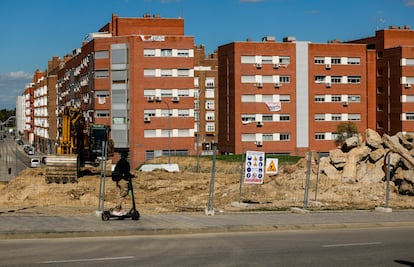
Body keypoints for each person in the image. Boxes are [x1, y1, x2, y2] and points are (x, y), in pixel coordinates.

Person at [112, 152, 132, 216]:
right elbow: (126, 172)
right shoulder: (125, 163)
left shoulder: (119, 162)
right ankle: (116, 210)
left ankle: (120, 210)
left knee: (119, 195)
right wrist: (131, 176)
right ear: (126, 156)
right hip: (123, 180)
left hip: (118, 180)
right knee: (123, 194)